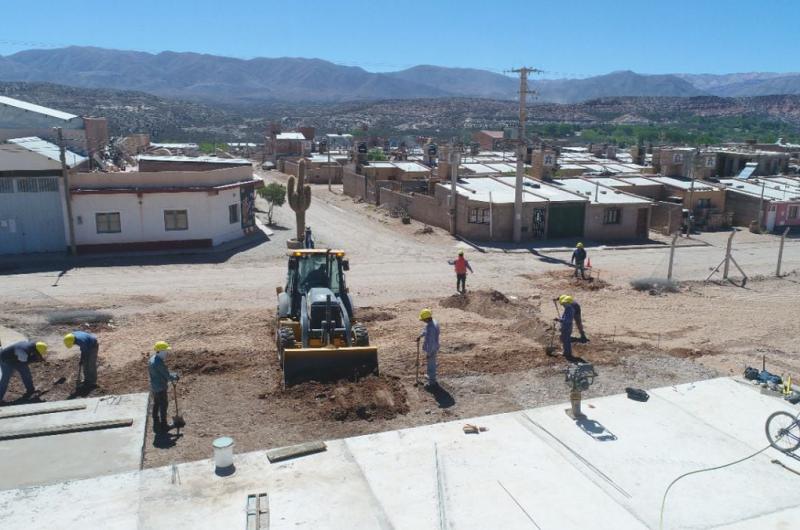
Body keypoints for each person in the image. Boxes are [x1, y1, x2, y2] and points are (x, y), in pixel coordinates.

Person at [148, 341, 179, 433]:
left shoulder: (152, 359)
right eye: (165, 351)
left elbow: (161, 373)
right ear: (160, 351)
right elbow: (167, 375)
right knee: (163, 405)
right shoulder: (158, 363)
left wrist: (171, 374)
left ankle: (155, 417)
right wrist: (175, 376)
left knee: (156, 402)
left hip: (154, 386)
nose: (166, 353)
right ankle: (164, 425)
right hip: (161, 387)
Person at [416, 308, 440, 388]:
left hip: (432, 348)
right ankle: (430, 376)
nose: (422, 321)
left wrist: (429, 353)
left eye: (423, 319)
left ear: (427, 318)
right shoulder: (433, 322)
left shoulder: (431, 328)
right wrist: (420, 335)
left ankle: (432, 382)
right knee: (431, 363)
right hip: (434, 346)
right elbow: (425, 330)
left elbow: (431, 342)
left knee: (431, 365)